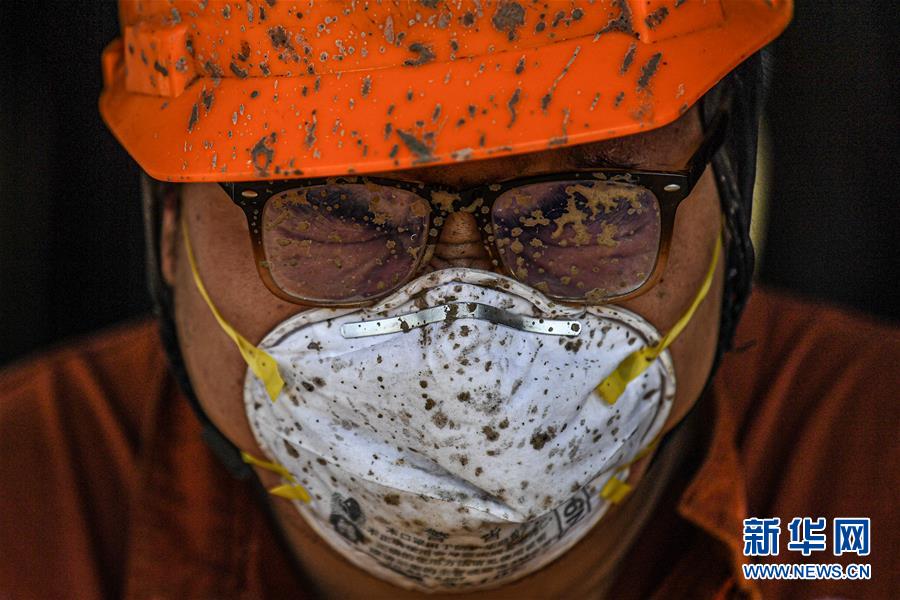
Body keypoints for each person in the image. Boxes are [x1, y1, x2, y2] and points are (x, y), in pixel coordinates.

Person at [1, 1, 897, 598]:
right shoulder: (29, 514)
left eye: (580, 207)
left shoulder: (863, 498)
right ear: (169, 223)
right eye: (341, 211)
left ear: (730, 197)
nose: (463, 350)